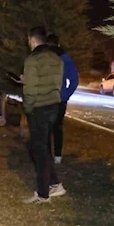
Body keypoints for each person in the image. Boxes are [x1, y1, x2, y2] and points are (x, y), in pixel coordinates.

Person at [22, 26, 66, 204]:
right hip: (53, 106)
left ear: (32, 40)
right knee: (41, 147)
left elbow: (30, 90)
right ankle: (56, 184)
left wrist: (27, 107)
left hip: (38, 108)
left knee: (38, 150)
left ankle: (42, 194)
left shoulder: (32, 60)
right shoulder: (57, 58)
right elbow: (56, 82)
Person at [46, 34, 79, 165]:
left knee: (46, 127)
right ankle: (58, 155)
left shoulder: (45, 58)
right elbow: (74, 81)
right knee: (57, 128)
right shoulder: (66, 59)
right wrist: (64, 96)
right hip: (59, 99)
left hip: (46, 98)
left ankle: (47, 155)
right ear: (58, 44)